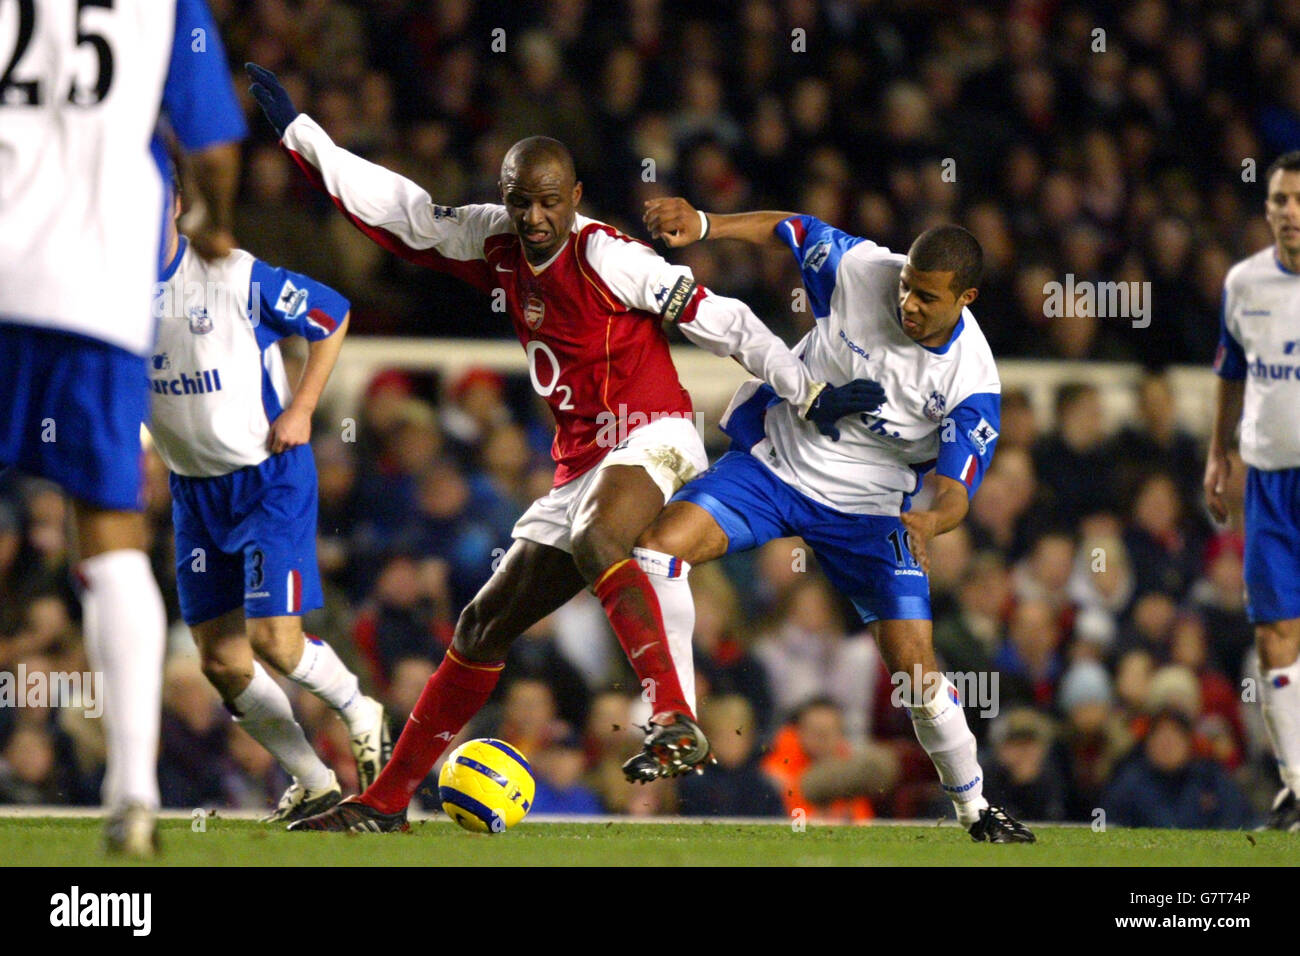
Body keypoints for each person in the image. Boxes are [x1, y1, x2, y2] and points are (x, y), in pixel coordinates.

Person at [241, 65, 885, 832]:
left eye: (550, 201)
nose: (535, 217)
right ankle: (383, 803)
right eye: (522, 201)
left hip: (655, 432)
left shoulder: (609, 256)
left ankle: (674, 713)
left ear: (574, 197)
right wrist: (302, 137)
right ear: (507, 196)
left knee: (600, 537)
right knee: (483, 626)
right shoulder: (496, 236)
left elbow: (726, 320)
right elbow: (404, 213)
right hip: (580, 462)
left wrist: (804, 388)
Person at [618, 196, 1037, 842]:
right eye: (907, 288)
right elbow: (791, 228)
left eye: (927, 297)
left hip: (871, 512)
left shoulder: (971, 383)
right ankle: (677, 721)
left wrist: (927, 524)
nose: (909, 304)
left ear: (968, 297)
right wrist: (704, 225)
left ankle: (976, 812)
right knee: (654, 551)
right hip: (777, 464)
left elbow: (956, 491)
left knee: (918, 673)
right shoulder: (863, 269)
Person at [0, 0, 244, 856]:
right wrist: (213, 219)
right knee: (108, 534)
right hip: (95, 285)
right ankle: (132, 793)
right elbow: (212, 137)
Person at [147, 172, 391, 823]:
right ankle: (312, 779)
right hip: (193, 494)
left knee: (275, 642)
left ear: (175, 202)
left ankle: (360, 709)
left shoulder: (230, 275)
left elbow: (331, 314)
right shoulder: (107, 289)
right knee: (222, 662)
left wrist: (304, 408)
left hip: (266, 478)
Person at [1205, 150, 1300, 832]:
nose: (1290, 213)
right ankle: (1296, 784)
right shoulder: (1244, 283)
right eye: (1279, 201)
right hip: (1268, 480)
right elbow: (1232, 369)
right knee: (1273, 633)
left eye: (1299, 200)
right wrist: (1219, 451)